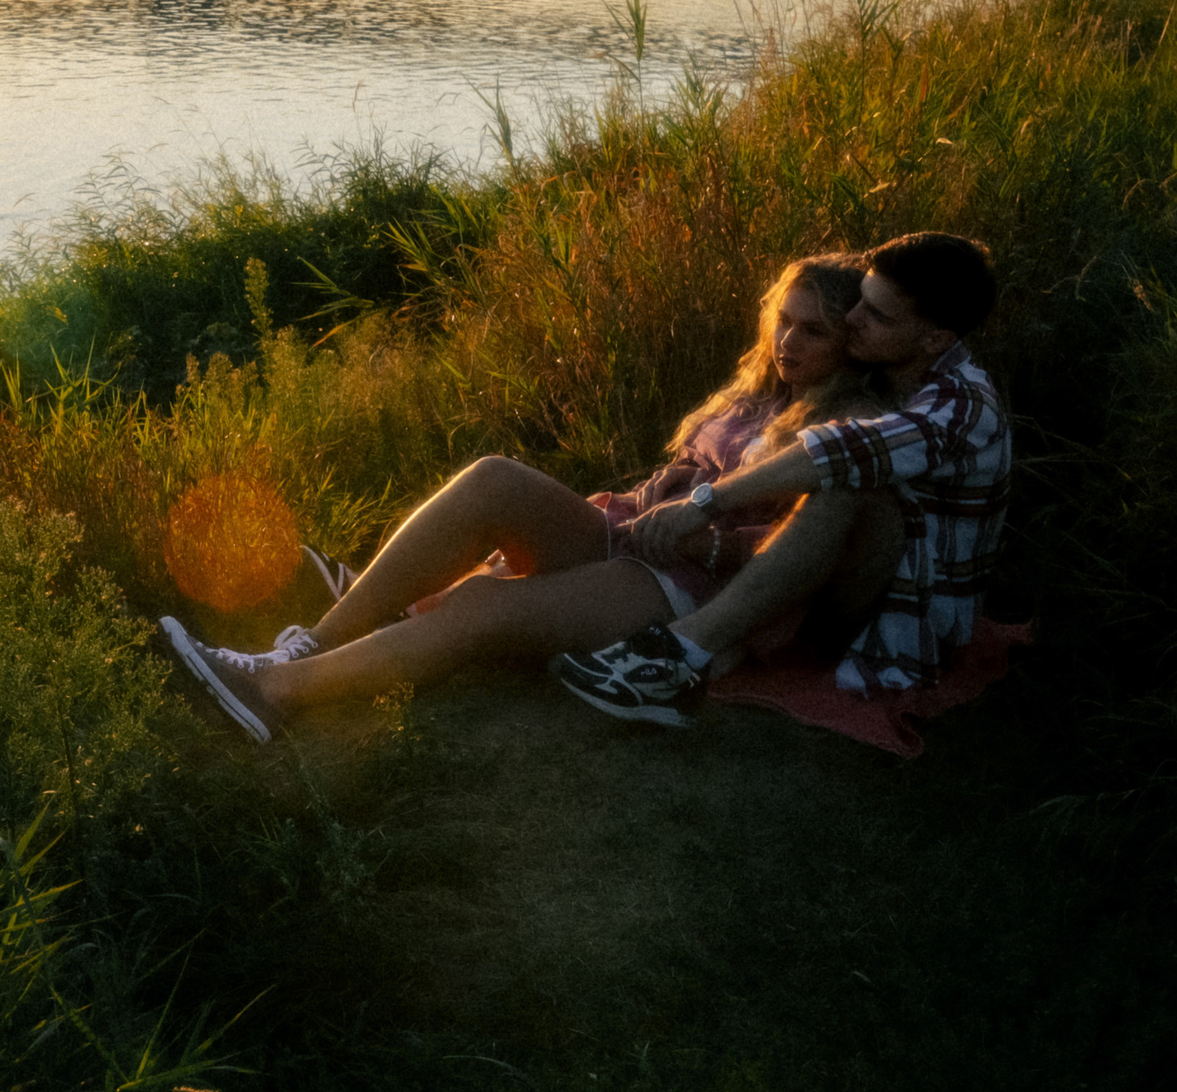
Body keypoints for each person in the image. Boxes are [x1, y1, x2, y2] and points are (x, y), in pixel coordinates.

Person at [160, 254, 889, 742]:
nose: (790, 340)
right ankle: (312, 639)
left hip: (686, 586)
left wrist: (707, 537)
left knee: (480, 605)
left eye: (814, 330)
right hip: (635, 532)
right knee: (492, 476)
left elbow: (807, 555)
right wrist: (648, 498)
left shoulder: (844, 427)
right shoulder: (765, 389)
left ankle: (278, 695)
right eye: (785, 319)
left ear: (851, 343)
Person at [549, 230, 1008, 714]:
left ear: (937, 339)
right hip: (837, 578)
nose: (851, 319)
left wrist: (703, 504)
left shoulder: (965, 405)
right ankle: (702, 649)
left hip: (909, 609)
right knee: (846, 476)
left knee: (849, 482)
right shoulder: (895, 376)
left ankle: (678, 654)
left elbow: (841, 451)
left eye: (874, 314)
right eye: (862, 301)